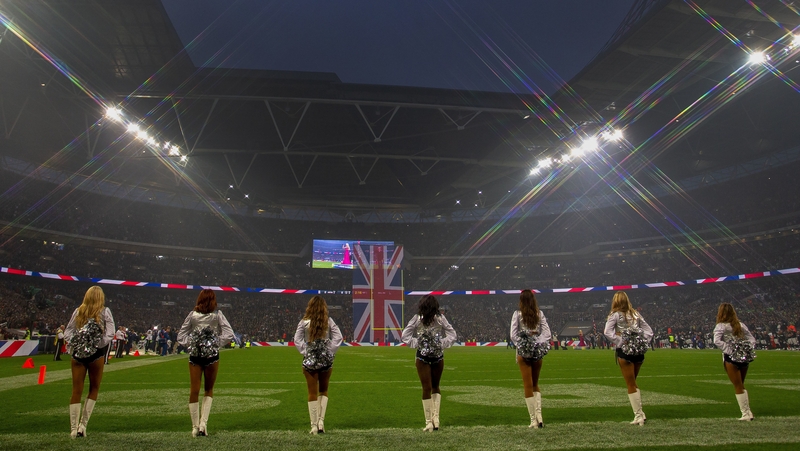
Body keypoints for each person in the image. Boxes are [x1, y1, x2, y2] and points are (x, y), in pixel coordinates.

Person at [177, 289, 234, 437]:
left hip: (195, 356)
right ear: (213, 300)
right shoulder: (217, 315)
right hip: (212, 356)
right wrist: (214, 344)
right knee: (208, 390)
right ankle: (203, 425)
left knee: (194, 390)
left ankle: (195, 428)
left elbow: (181, 335)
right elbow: (229, 334)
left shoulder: (192, 315)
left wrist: (193, 344)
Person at [64, 286, 115, 438]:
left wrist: (77, 343)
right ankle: (82, 426)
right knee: (94, 389)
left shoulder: (78, 311)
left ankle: (73, 429)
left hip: (77, 355)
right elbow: (110, 333)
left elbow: (68, 331)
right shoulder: (105, 311)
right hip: (96, 356)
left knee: (76, 390)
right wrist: (96, 345)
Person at [402, 295, 457, 432]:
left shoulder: (440, 319)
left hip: (437, 356)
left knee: (434, 386)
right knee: (428, 387)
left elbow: (452, 334)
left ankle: (435, 419)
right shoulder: (417, 319)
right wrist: (419, 343)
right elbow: (405, 336)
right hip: (423, 357)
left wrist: (441, 344)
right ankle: (429, 421)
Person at [294, 295, 343, 435]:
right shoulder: (328, 321)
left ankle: (314, 426)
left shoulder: (304, 322)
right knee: (323, 391)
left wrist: (306, 351)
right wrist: (329, 351)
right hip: (326, 360)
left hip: (310, 360)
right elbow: (338, 337)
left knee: (311, 392)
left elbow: (297, 340)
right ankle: (321, 422)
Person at [603, 291, 653, 426]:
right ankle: (641, 413)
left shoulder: (614, 315)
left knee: (631, 384)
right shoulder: (636, 314)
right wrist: (642, 342)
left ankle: (638, 416)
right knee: (633, 382)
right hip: (639, 352)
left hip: (625, 352)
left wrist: (620, 342)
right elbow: (649, 331)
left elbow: (607, 332)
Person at [510, 289, 551, 428]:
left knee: (528, 385)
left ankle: (533, 420)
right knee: (535, 384)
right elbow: (547, 334)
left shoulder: (517, 314)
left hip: (524, 353)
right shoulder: (540, 314)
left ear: (521, 301)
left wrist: (523, 344)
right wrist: (536, 341)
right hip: (537, 352)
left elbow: (513, 335)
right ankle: (539, 417)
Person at [713, 303, 757, 421]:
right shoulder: (741, 325)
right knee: (741, 384)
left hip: (731, 358)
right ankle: (748, 412)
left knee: (737, 385)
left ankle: (745, 414)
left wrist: (730, 350)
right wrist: (746, 348)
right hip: (744, 358)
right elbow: (752, 339)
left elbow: (716, 341)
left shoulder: (721, 326)